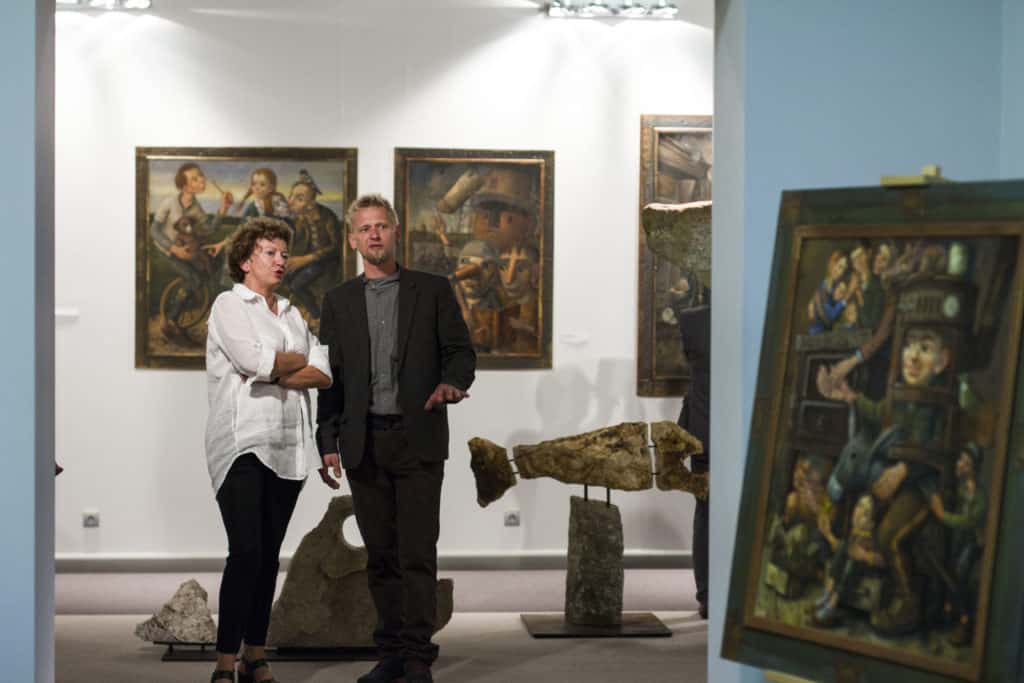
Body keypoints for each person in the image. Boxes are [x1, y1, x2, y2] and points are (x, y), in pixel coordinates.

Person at [316, 194, 476, 683]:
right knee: (381, 556)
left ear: (396, 232)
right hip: (363, 441)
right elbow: (329, 377)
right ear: (352, 239)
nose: (374, 234)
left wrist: (453, 383)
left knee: (417, 554)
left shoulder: (432, 290)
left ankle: (417, 656)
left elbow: (460, 352)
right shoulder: (338, 301)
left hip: (417, 437)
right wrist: (327, 440)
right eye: (365, 228)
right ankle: (389, 655)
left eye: (382, 225)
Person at [205, 217, 332, 683]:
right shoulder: (229, 304)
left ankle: (254, 655)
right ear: (245, 260)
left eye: (284, 253)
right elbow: (249, 359)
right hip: (243, 442)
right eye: (270, 252)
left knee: (268, 556)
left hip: (288, 446)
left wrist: (275, 369)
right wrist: (288, 363)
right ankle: (224, 660)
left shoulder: (293, 315)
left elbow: (323, 371)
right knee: (245, 552)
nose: (281, 260)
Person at [150, 161, 232, 339]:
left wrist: (222, 209)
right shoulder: (169, 203)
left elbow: (208, 230)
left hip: (186, 250)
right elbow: (154, 230)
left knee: (207, 271)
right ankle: (170, 320)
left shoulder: (196, 208)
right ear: (185, 186)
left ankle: (193, 311)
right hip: (167, 251)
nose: (202, 179)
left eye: (201, 175)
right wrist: (173, 249)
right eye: (195, 178)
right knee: (193, 279)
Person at [669, 276, 710, 619]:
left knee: (706, 512)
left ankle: (707, 594)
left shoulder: (693, 320)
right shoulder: (751, 320)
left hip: (704, 425)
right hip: (724, 426)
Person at [282, 172, 342, 318]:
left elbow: (335, 247)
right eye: (291, 196)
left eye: (299, 199)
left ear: (311, 204)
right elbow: (296, 242)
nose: (290, 201)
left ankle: (317, 314)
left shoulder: (327, 217)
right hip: (305, 260)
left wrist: (305, 259)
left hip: (324, 262)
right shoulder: (300, 218)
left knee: (296, 285)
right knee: (281, 277)